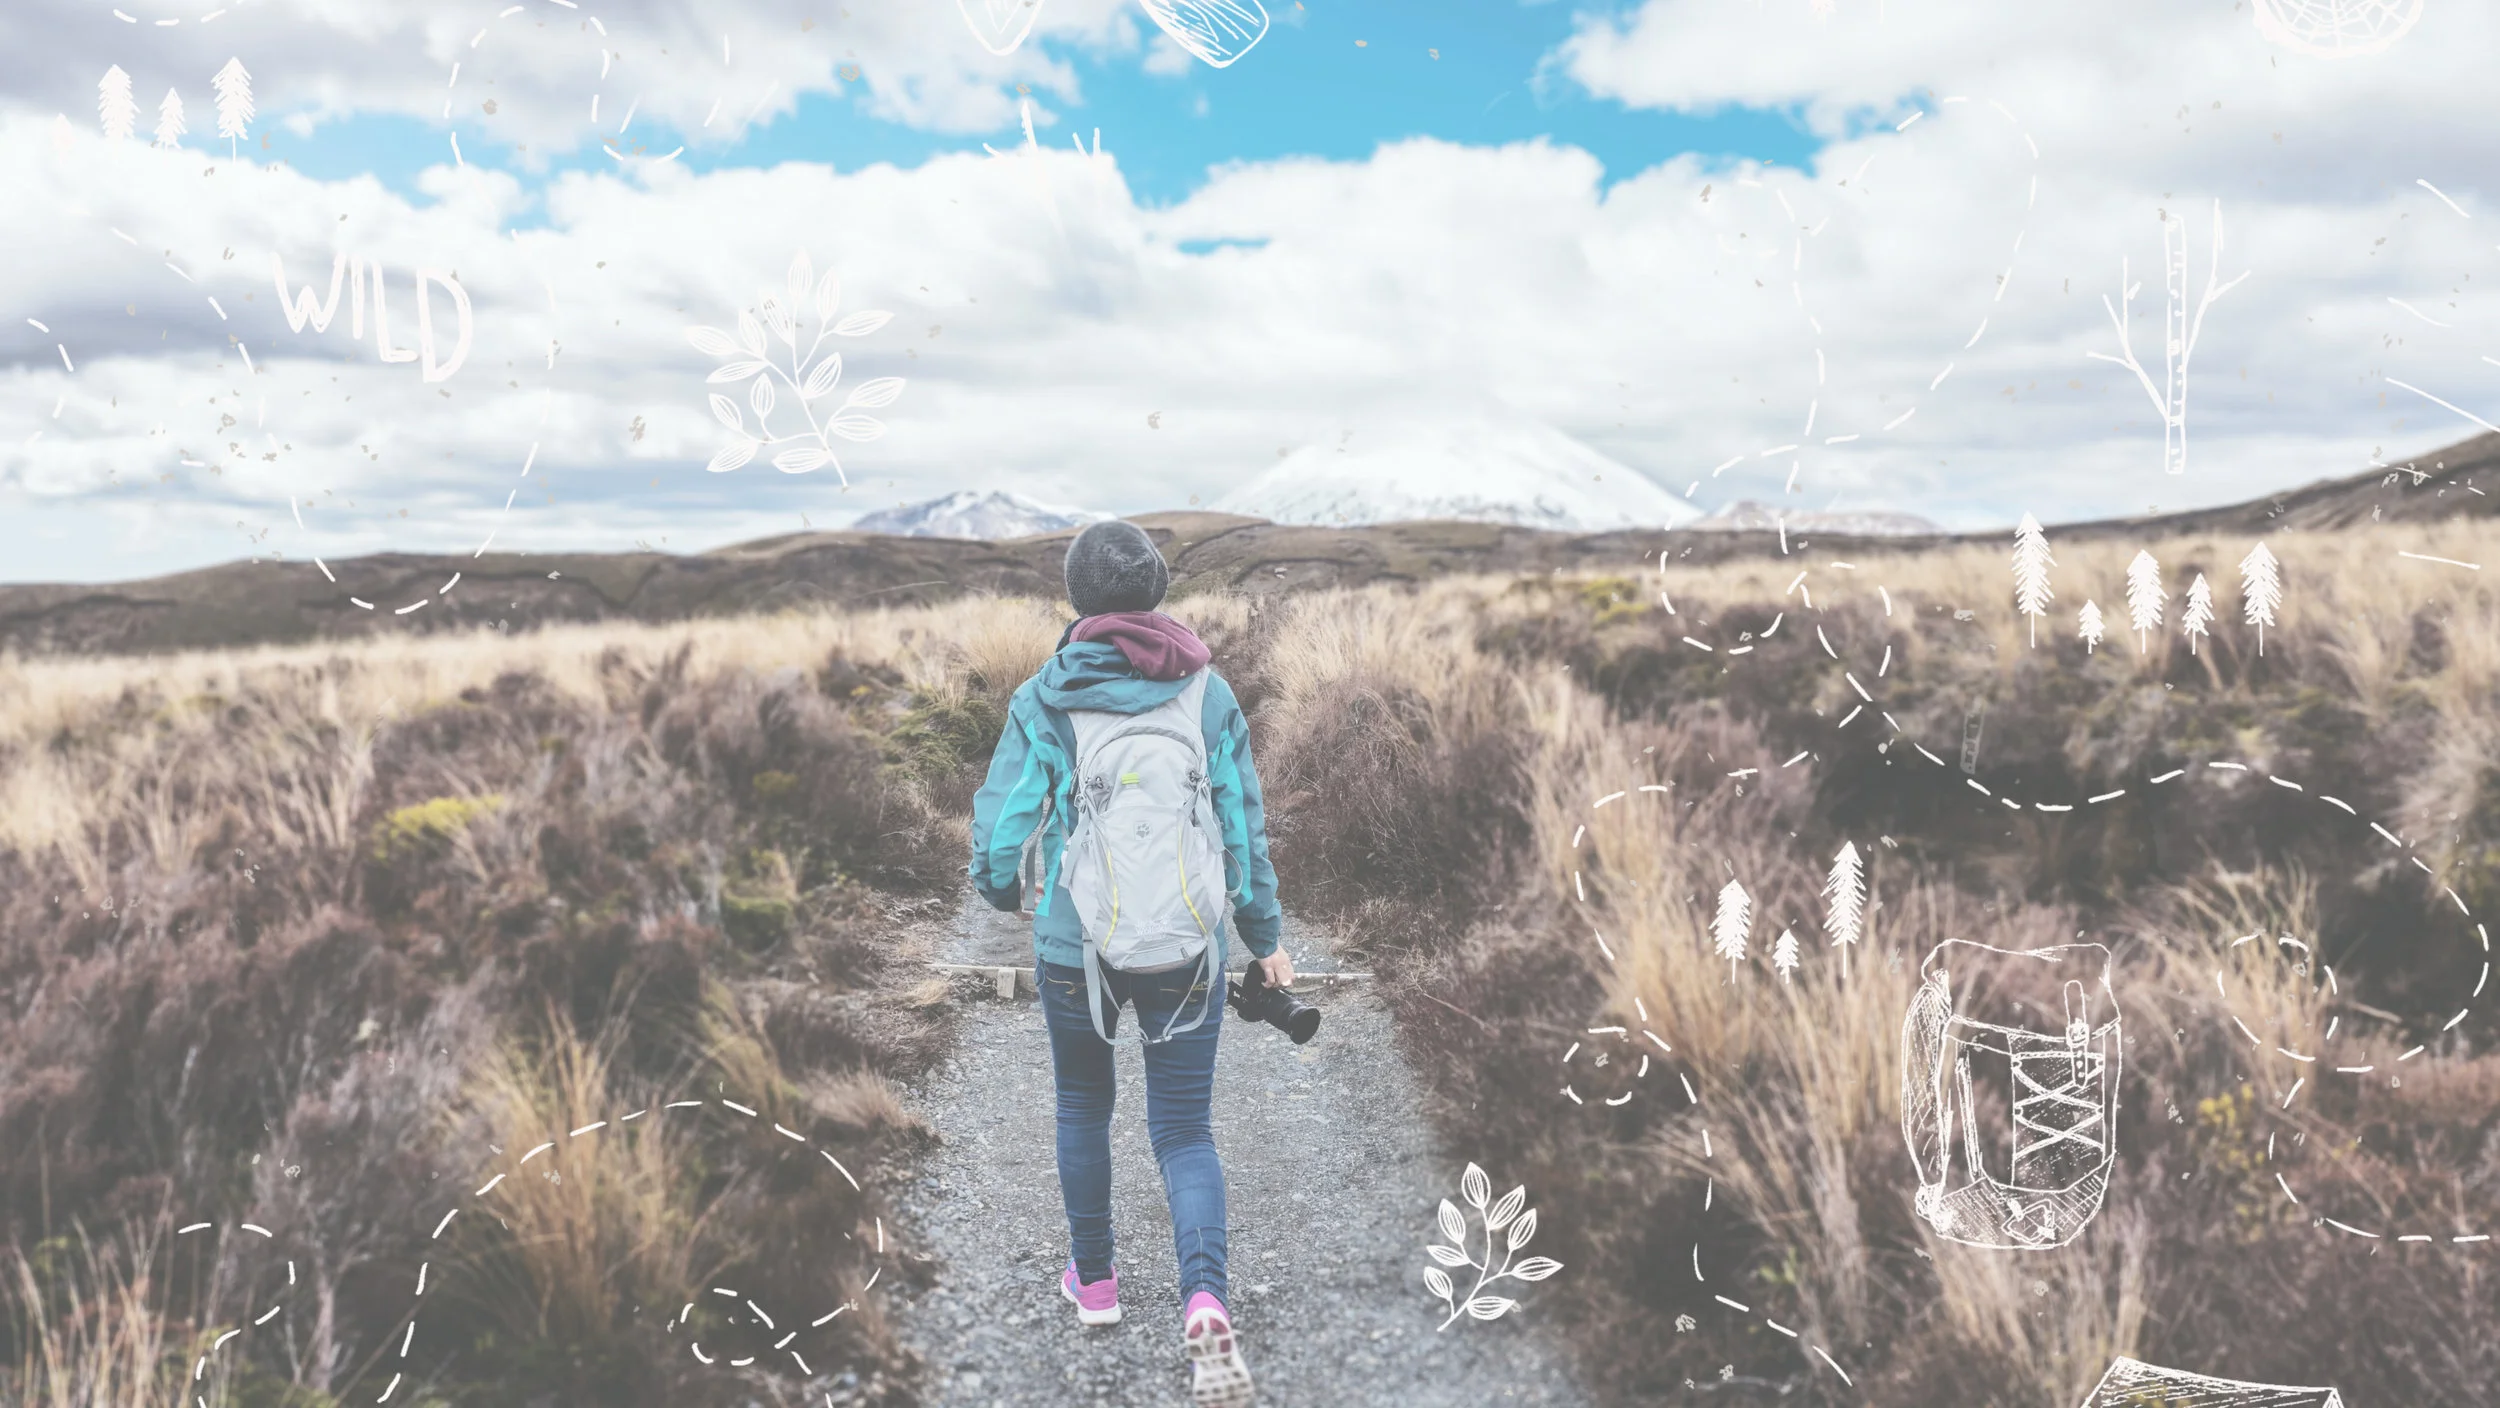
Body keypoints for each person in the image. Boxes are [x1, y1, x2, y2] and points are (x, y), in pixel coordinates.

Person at [968, 519, 1286, 1408]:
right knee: (1184, 1130)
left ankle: (1098, 1286)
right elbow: (1241, 830)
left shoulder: (1044, 696)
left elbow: (1001, 838)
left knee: (1083, 1106)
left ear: (1079, 599)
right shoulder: (1209, 692)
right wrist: (1263, 939)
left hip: (1079, 947)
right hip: (1187, 944)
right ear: (1154, 591)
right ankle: (1204, 1300)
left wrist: (1005, 897)